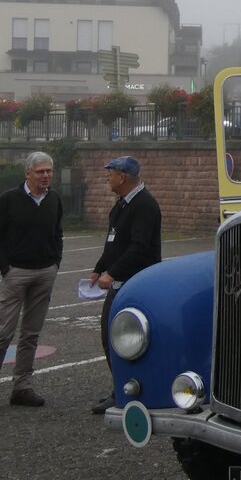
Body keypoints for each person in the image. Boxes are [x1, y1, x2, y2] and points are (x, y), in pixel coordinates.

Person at [0, 152, 63, 416]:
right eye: (40, 172)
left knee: (30, 335)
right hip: (16, 274)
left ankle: (22, 386)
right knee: (2, 335)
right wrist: (6, 268)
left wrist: (56, 263)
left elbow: (57, 232)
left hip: (45, 272)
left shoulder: (54, 199)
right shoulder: (8, 200)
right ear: (27, 173)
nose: (45, 176)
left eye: (49, 172)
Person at [88, 156, 162, 414]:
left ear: (123, 177)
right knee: (110, 338)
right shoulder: (121, 205)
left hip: (137, 283)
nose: (107, 178)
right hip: (119, 281)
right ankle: (122, 388)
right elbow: (113, 243)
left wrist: (113, 272)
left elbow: (139, 247)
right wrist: (99, 269)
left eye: (110, 173)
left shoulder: (144, 205)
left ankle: (129, 390)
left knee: (129, 340)